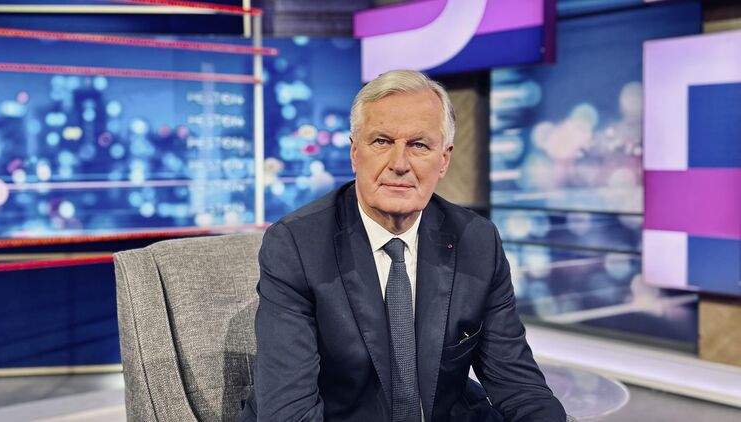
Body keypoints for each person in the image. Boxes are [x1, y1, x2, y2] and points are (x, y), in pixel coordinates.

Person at [240, 70, 566, 421]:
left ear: (444, 160)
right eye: (381, 141)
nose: (399, 164)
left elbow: (519, 387)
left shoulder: (477, 241)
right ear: (355, 152)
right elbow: (290, 413)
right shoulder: (297, 246)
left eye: (419, 145)